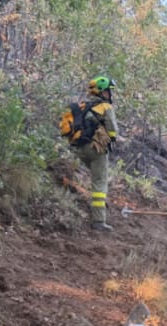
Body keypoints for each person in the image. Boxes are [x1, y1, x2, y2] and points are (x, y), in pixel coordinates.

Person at [73, 75, 119, 232]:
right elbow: (112, 130)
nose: (110, 94)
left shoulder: (83, 106)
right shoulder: (106, 107)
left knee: (92, 178)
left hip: (79, 149)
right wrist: (112, 139)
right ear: (103, 92)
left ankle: (78, 203)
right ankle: (99, 221)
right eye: (109, 91)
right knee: (99, 183)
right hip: (96, 148)